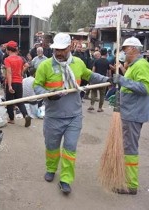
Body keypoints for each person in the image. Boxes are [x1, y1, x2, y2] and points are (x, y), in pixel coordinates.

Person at [33, 33, 111, 195]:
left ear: (70, 48)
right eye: (56, 50)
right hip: (53, 116)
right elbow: (37, 86)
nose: (59, 53)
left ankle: (66, 179)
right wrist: (48, 93)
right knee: (52, 146)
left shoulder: (78, 63)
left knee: (70, 148)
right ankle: (51, 168)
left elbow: (90, 76)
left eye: (62, 49)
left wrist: (108, 79)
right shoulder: (45, 66)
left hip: (74, 116)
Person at [112, 37, 149, 195]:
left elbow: (145, 88)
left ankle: (131, 184)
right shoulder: (133, 65)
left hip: (134, 113)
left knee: (130, 148)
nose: (123, 52)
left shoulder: (142, 65)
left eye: (125, 48)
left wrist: (122, 81)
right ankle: (127, 179)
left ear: (135, 49)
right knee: (127, 146)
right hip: (130, 111)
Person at [4, 40, 31, 127]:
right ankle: (26, 115)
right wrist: (21, 73)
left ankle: (11, 119)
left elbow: (9, 73)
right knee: (20, 101)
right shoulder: (20, 58)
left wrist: (10, 85)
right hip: (19, 82)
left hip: (11, 82)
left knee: (9, 102)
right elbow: (27, 65)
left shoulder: (7, 59)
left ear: (8, 50)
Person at [88, 48, 110, 112]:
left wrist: (91, 78)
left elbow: (93, 70)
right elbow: (109, 72)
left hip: (96, 79)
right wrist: (108, 79)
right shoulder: (107, 62)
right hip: (104, 80)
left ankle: (92, 105)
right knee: (102, 94)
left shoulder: (96, 61)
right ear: (106, 53)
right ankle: (100, 108)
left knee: (93, 92)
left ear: (100, 53)